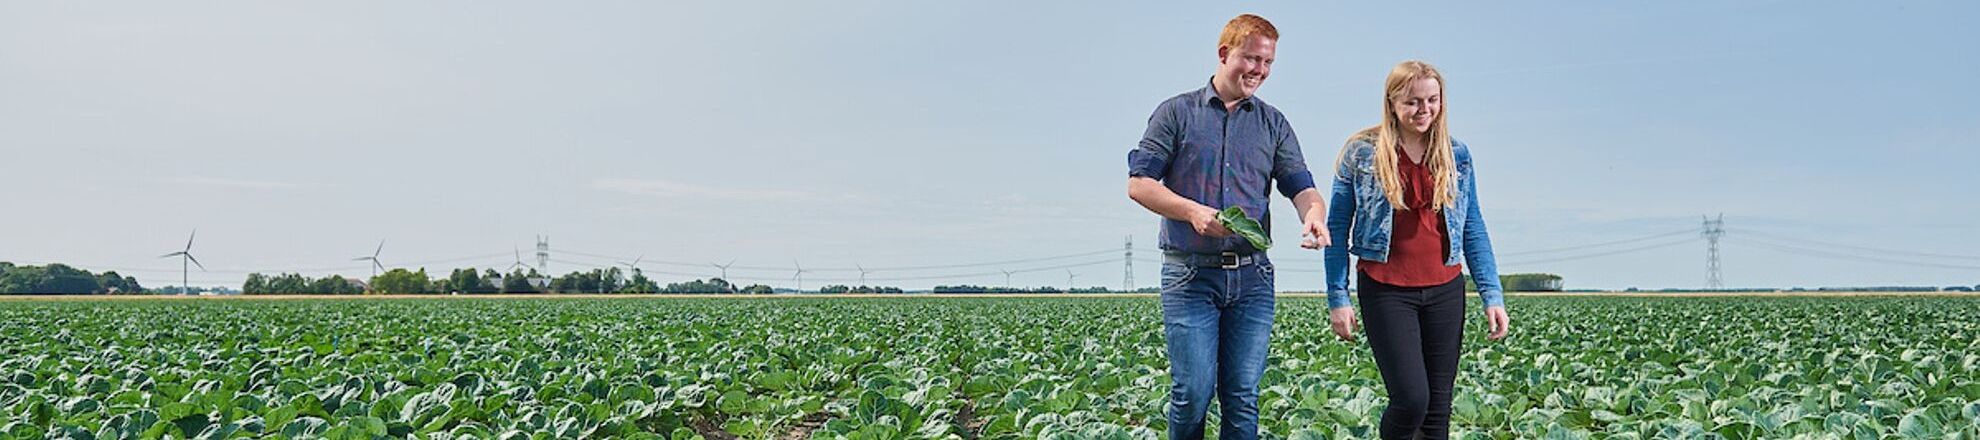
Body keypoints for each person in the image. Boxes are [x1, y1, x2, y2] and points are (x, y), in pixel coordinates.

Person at [1125, 13, 1328, 440]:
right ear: (1224, 54)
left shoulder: (1273, 123)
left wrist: (1313, 216)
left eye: (1267, 62)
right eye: (1251, 58)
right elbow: (1140, 184)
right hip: (1190, 275)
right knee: (1192, 392)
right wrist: (1193, 213)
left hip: (1253, 278)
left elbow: (1301, 187)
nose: (1259, 70)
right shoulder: (1176, 113)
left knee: (1242, 394)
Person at [1323, 60, 1512, 439]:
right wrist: (1337, 297)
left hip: (1445, 288)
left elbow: (1472, 225)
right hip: (1386, 288)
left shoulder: (1457, 155)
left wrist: (1492, 295)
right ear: (1392, 102)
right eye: (1412, 102)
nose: (1423, 110)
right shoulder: (1361, 153)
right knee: (1411, 398)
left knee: (1437, 411)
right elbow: (1337, 227)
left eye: (1432, 100)